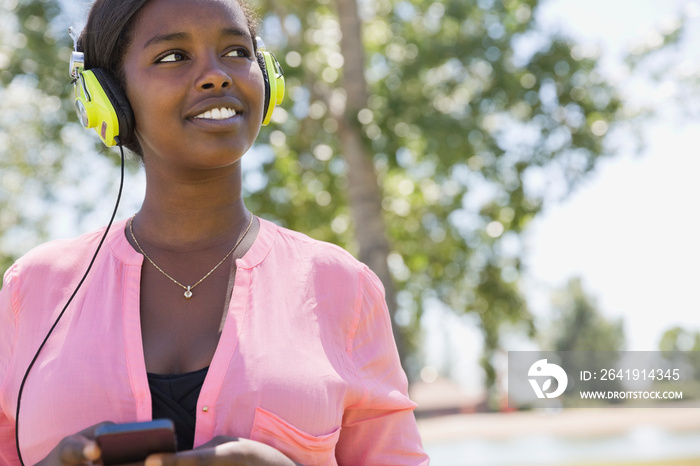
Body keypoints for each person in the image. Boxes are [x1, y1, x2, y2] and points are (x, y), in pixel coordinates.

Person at [0, 0, 429, 464]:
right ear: (108, 97)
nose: (216, 75)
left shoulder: (343, 285)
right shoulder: (32, 288)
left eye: (236, 52)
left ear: (266, 76)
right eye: (172, 56)